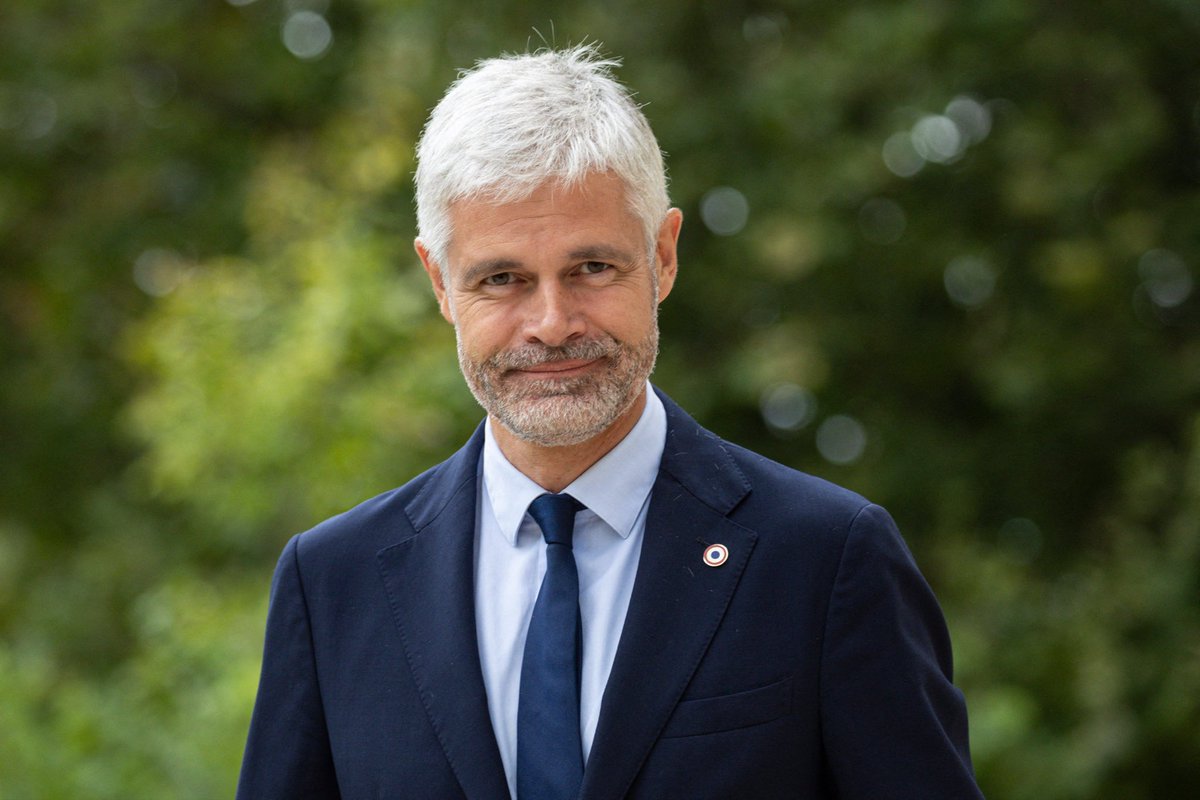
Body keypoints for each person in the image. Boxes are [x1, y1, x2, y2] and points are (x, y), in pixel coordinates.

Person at [236, 45, 984, 800]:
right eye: (503, 279)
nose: (553, 324)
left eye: (592, 268)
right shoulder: (332, 583)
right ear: (439, 281)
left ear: (662, 256)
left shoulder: (826, 560)